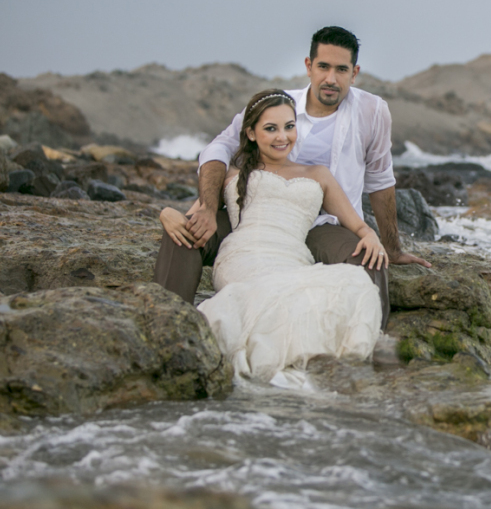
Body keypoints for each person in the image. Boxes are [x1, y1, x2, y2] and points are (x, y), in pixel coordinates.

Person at [153, 26, 431, 329]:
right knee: (183, 236)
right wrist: (206, 208)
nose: (331, 78)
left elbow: (379, 179)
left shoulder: (372, 111)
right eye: (323, 66)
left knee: (368, 261)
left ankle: (367, 342)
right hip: (250, 216)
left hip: (323, 226)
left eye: (341, 69)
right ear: (308, 66)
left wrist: (391, 247)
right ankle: (168, 325)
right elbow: (219, 148)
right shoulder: (276, 107)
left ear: (355, 73)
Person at [160, 89, 386, 384]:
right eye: (271, 128)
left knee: (352, 286)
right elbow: (197, 213)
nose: (283, 137)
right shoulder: (233, 174)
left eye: (289, 127)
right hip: (242, 255)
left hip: (292, 257)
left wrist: (371, 236)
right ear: (251, 133)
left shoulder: (318, 174)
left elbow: (357, 225)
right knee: (267, 300)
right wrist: (166, 212)